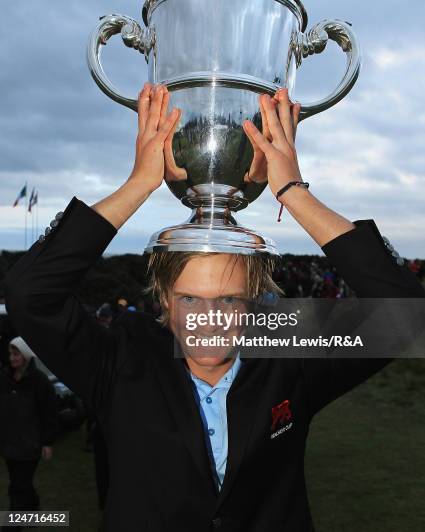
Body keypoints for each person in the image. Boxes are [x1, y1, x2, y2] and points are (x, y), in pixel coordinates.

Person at [4, 83, 425, 532]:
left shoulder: (287, 352)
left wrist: (293, 192)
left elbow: (404, 315)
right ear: (164, 298)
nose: (210, 321)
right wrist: (139, 184)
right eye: (190, 300)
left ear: (256, 300)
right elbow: (30, 293)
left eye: (228, 299)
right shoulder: (121, 360)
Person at [0, 337, 58, 526]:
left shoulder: (39, 381)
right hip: (9, 443)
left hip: (29, 444)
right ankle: (32, 507)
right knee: (20, 482)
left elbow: (49, 413)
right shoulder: (5, 377)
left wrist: (47, 442)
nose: (11, 358)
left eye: (16, 354)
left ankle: (12, 525)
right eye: (10, 354)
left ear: (25, 355)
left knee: (18, 486)